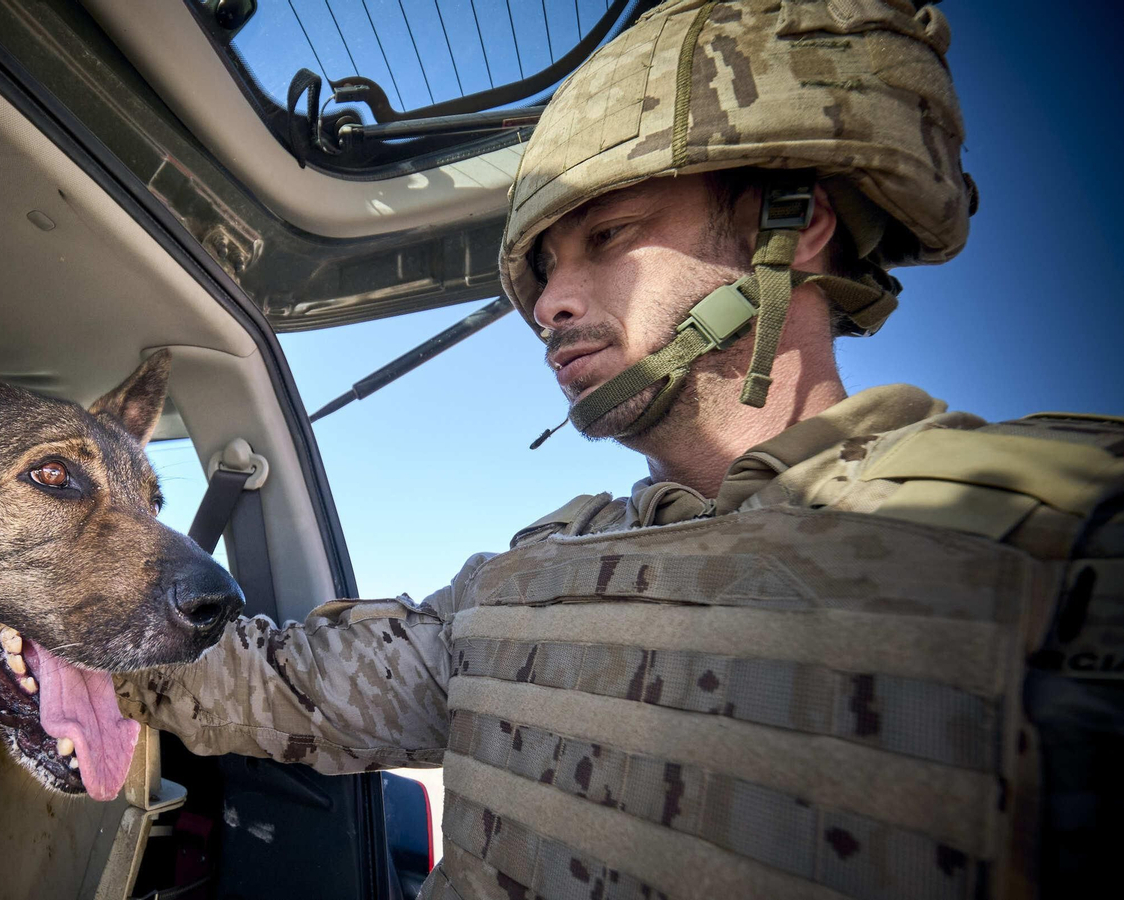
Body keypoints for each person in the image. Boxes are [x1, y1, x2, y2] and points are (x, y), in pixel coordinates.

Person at [117, 2, 1124, 897]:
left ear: (797, 224)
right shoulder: (520, 585)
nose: (549, 304)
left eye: (610, 236)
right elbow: (271, 690)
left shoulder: (1064, 541)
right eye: (543, 269)